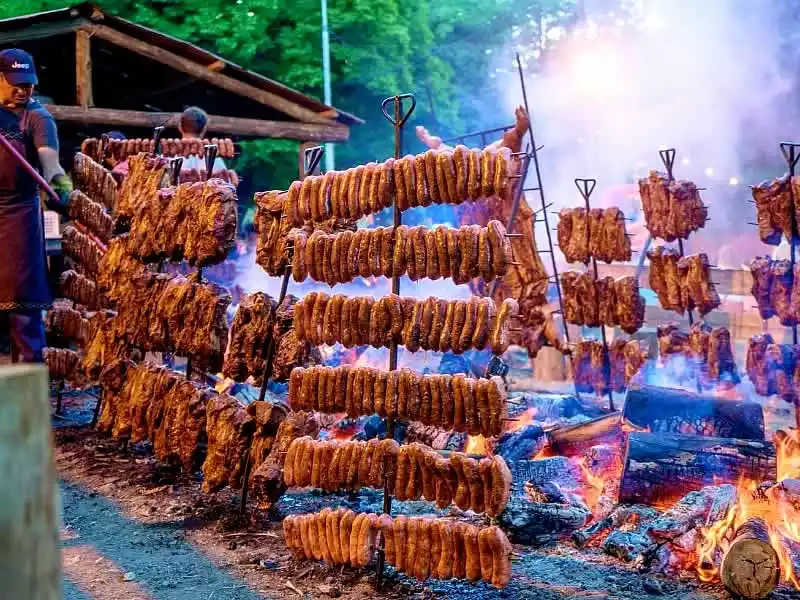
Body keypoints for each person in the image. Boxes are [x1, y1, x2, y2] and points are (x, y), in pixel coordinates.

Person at [0, 49, 72, 363]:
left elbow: (50, 162)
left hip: (19, 221)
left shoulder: (38, 117)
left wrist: (60, 184)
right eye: (15, 82)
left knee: (24, 319)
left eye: (27, 83)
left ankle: (27, 408)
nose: (22, 89)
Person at [179, 106, 227, 180]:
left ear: (180, 127)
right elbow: (227, 188)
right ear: (204, 129)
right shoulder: (216, 159)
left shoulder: (166, 160)